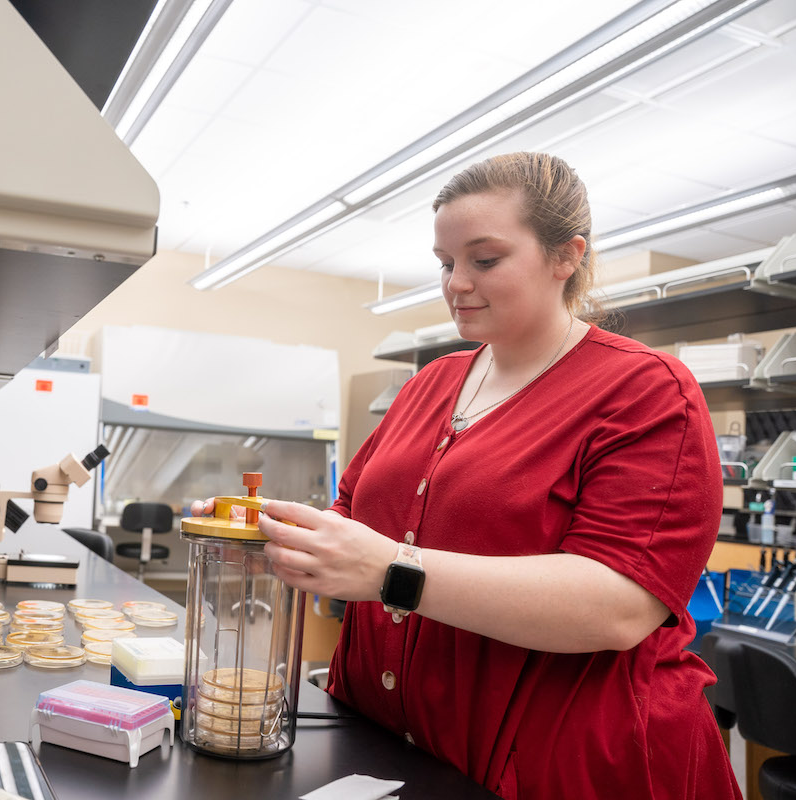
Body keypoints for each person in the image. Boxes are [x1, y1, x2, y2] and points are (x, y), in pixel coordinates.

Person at [199, 152, 741, 798]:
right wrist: (275, 533)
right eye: (445, 262)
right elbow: (356, 517)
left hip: (562, 767)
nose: (456, 282)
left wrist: (392, 572)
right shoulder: (431, 385)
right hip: (388, 743)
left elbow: (619, 604)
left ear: (566, 256)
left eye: (483, 260)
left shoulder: (645, 391)